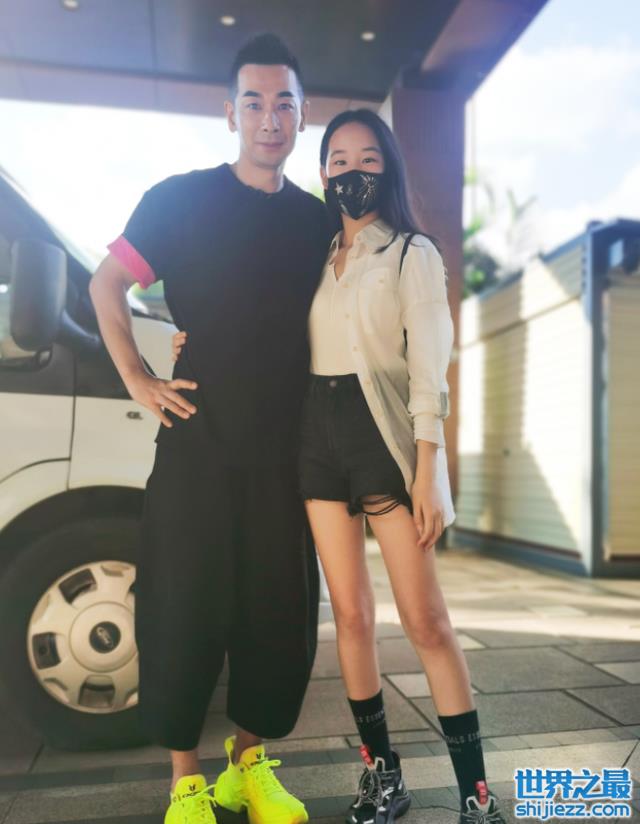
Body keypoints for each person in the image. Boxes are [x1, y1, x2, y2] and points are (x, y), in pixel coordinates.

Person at [174, 109, 506, 824]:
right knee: (350, 616)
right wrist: (190, 339)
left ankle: (476, 798)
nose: (352, 172)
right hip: (315, 441)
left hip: (382, 437)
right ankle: (383, 777)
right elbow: (260, 322)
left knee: (426, 621)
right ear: (323, 172)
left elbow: (431, 370)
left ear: (388, 169)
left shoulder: (412, 254)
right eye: (339, 160)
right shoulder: (315, 255)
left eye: (367, 159)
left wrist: (429, 468)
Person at [90, 34, 332, 824]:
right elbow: (108, 283)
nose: (270, 118)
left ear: (302, 116)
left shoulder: (317, 223)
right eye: (254, 102)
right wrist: (138, 376)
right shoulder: (179, 200)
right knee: (184, 606)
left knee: (275, 614)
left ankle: (246, 768)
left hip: (284, 452)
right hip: (197, 443)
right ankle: (186, 783)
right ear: (230, 112)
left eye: (285, 103)